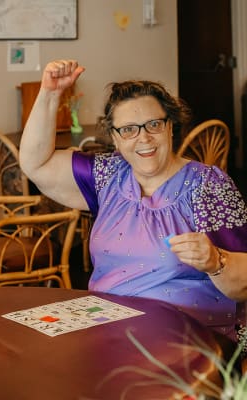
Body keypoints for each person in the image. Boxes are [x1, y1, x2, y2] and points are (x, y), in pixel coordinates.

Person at [19, 59, 247, 341]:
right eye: (128, 129)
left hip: (186, 338)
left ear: (170, 128)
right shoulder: (106, 175)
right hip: (108, 330)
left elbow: (243, 285)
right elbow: (34, 164)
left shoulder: (207, 186)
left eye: (153, 124)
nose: (144, 138)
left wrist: (216, 260)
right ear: (115, 138)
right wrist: (50, 95)